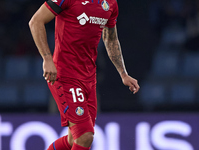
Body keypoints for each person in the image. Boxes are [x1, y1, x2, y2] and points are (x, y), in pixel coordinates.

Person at [29, 0, 140, 149]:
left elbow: (110, 38)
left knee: (73, 139)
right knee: (85, 136)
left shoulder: (111, 4)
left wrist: (123, 74)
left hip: (89, 78)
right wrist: (47, 58)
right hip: (65, 74)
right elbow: (36, 21)